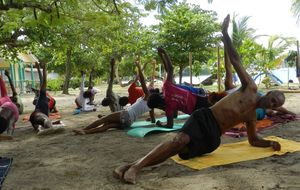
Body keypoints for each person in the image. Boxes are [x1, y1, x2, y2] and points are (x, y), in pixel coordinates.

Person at [114, 15, 285, 184]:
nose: (272, 105)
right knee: (178, 141)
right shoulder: (250, 88)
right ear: (268, 94)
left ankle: (129, 166)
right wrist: (225, 34)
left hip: (213, 137)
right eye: (273, 100)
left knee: (178, 148)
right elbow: (235, 60)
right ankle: (136, 168)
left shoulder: (252, 117)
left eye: (275, 105)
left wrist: (269, 143)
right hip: (205, 117)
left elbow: (253, 140)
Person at [72, 60, 155, 135]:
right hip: (129, 123)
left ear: (150, 93)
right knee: (108, 126)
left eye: (149, 89)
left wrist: (139, 67)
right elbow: (153, 120)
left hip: (126, 115)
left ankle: (84, 130)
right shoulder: (151, 106)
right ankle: (87, 132)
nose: (148, 88)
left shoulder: (147, 96)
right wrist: (151, 120)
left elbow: (143, 82)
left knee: (104, 120)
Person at [147, 47, 213, 128]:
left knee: (214, 115)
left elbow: (170, 125)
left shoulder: (168, 107)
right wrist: (164, 53)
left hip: (195, 108)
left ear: (158, 106)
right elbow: (170, 68)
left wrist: (160, 124)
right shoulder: (167, 88)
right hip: (198, 98)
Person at [29, 62, 61, 134]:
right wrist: (43, 69)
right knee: (46, 123)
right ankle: (43, 130)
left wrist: (55, 122)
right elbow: (44, 81)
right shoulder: (42, 97)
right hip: (36, 115)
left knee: (44, 123)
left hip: (34, 118)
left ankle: (40, 129)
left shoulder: (48, 103)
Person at [0, 74, 19, 140]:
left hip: (8, 108)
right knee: (11, 122)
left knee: (5, 116)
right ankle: (9, 135)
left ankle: (8, 135)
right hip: (16, 114)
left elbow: (2, 85)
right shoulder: (8, 99)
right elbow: (11, 125)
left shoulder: (5, 97)